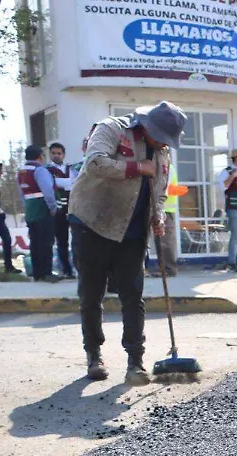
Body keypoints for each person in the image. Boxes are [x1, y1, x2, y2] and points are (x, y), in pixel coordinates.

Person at [69, 101, 183, 384]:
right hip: (92, 223)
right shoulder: (111, 128)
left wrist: (157, 216)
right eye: (160, 137)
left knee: (133, 297)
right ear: (148, 126)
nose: (162, 144)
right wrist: (136, 167)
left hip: (133, 232)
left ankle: (136, 361)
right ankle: (94, 355)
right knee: (92, 295)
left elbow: (160, 190)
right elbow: (94, 163)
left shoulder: (162, 152)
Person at [17, 145, 61, 282]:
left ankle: (37, 273)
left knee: (35, 242)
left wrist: (27, 207)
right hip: (42, 209)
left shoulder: (21, 172)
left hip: (30, 210)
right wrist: (53, 208)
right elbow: (48, 191)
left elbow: (21, 193)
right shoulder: (39, 170)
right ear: (39, 156)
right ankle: (47, 272)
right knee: (46, 241)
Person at [47, 142, 78, 279]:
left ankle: (79, 268)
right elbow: (54, 185)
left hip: (73, 207)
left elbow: (75, 182)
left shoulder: (71, 168)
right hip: (58, 210)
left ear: (63, 155)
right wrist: (66, 183)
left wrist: (62, 182)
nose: (56, 156)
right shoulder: (47, 170)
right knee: (61, 241)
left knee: (78, 239)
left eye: (59, 153)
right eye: (53, 153)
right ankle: (66, 269)